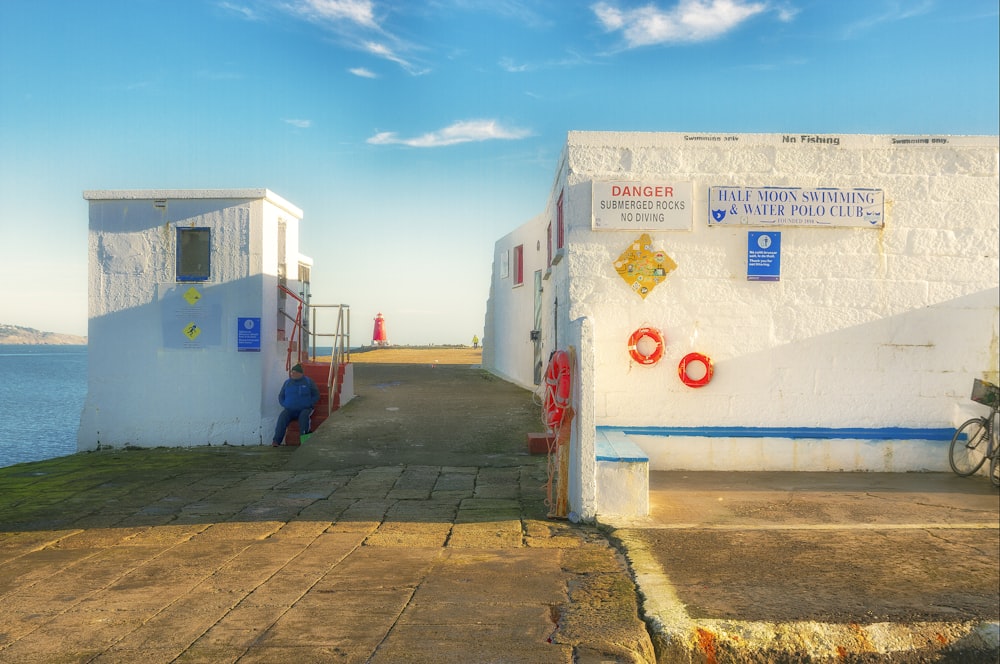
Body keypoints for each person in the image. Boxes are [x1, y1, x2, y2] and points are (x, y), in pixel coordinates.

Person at [272, 363, 320, 446]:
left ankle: (305, 441)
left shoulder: (308, 382)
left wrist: (309, 404)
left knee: (304, 419)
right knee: (282, 418)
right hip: (289, 409)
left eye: (295, 372)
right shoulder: (287, 383)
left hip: (305, 409)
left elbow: (316, 394)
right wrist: (285, 404)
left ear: (300, 373)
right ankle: (276, 441)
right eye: (291, 372)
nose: (292, 374)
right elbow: (281, 395)